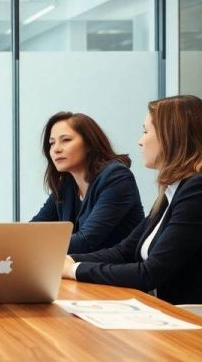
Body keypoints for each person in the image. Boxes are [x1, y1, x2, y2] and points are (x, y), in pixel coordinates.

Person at [62, 95, 202, 305]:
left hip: (187, 320)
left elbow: (151, 272)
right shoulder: (172, 192)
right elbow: (125, 251)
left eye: (146, 131)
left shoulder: (196, 190)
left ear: (170, 136)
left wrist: (73, 270)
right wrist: (69, 260)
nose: (140, 140)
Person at [31, 112, 144, 254]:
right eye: (52, 143)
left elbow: (86, 240)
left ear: (89, 144)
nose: (56, 149)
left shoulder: (116, 177)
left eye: (65, 140)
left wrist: (32, 245)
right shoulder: (66, 184)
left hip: (115, 272)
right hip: (78, 270)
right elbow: (33, 229)